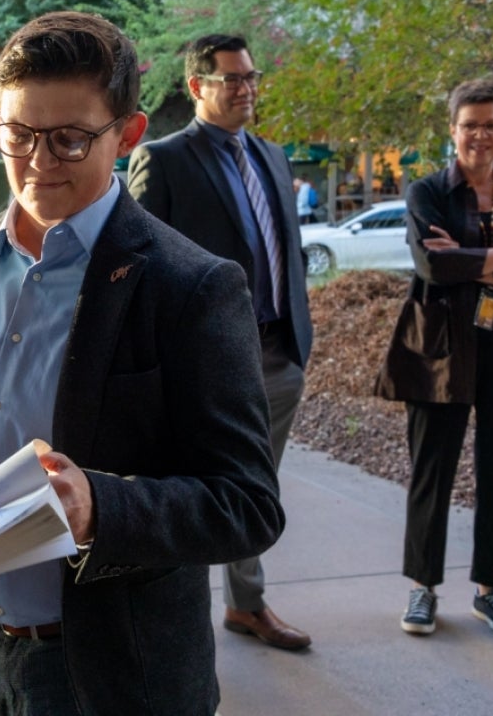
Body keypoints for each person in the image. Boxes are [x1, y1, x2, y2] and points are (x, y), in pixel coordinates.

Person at [0, 11, 284, 715]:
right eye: (17, 135)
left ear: (128, 134)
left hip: (114, 673)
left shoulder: (191, 287)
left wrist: (101, 507)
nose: (37, 164)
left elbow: (245, 504)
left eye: (69, 140)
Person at [127, 33, 313, 651]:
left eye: (251, 77)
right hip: (206, 359)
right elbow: (136, 258)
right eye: (232, 79)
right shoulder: (165, 158)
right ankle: (177, 619)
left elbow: (286, 251)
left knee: (256, 486)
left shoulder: (273, 156)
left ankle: (246, 604)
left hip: (280, 354)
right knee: (195, 486)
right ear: (196, 87)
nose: (246, 89)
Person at [376, 78, 493, 640]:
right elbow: (432, 267)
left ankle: (491, 591)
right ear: (453, 130)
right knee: (432, 469)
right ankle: (422, 587)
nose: (480, 134)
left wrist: (478, 259)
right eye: (469, 124)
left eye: (491, 124)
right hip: (441, 350)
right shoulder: (427, 191)